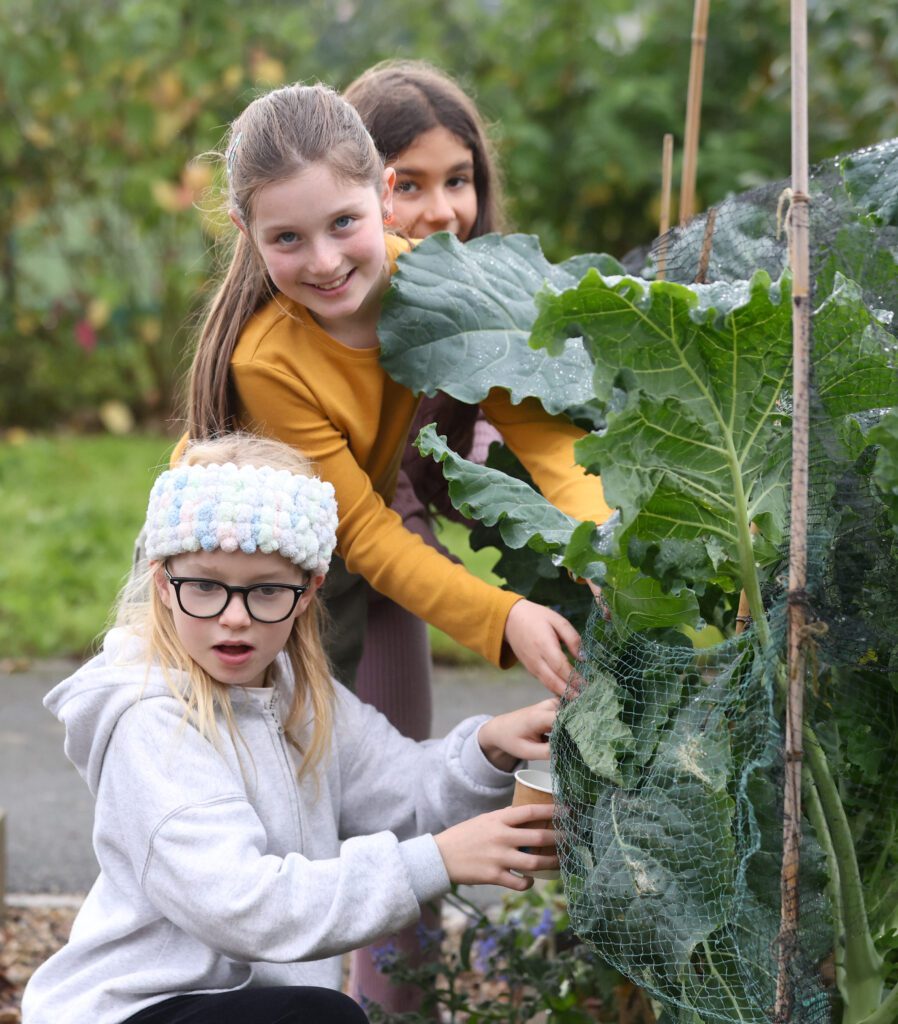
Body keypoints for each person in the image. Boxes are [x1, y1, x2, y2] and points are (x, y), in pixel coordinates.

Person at [21, 434, 561, 1024]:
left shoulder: (298, 695)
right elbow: (242, 907)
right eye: (204, 585)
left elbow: (403, 794)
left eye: (267, 590)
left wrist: (487, 749)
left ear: (306, 594)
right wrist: (435, 860)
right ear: (161, 584)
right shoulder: (149, 719)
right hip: (133, 1009)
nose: (235, 616)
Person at [185, 80, 613, 703]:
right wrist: (503, 616)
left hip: (326, 554)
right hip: (226, 577)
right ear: (245, 231)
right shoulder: (266, 362)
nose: (325, 261)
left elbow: (543, 436)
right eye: (288, 238)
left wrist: (601, 538)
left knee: (354, 747)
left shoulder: (445, 286)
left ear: (383, 197)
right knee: (261, 739)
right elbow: (362, 531)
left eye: (342, 223)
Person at [342, 58, 512, 1012]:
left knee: (398, 814)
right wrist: (496, 610)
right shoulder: (329, 301)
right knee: (283, 820)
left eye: (461, 179)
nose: (443, 209)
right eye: (407, 184)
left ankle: (394, 1006)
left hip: (392, 591)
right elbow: (376, 497)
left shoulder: (472, 298)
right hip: (287, 584)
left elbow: (469, 455)